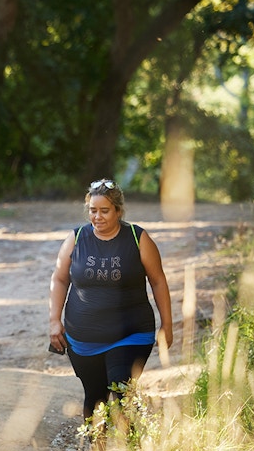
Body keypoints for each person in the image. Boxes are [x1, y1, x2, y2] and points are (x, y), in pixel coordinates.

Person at [48, 178, 172, 424]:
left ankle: (132, 446)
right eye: (93, 210)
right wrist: (54, 320)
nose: (97, 217)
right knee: (95, 397)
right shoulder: (77, 238)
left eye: (104, 211)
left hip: (131, 334)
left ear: (118, 211)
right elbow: (60, 279)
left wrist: (167, 325)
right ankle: (97, 448)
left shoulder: (137, 238)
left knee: (121, 391)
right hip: (82, 340)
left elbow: (158, 281)